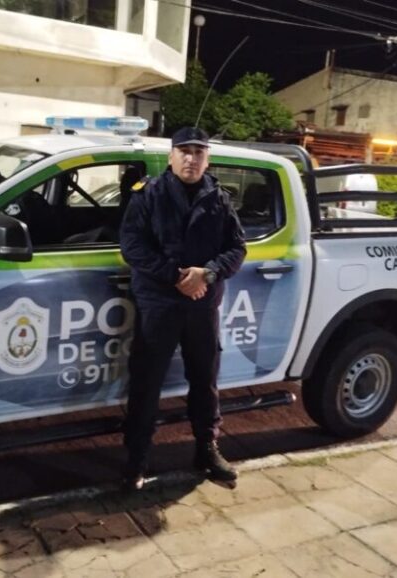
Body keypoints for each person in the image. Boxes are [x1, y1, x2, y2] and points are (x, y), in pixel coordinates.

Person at [119, 126, 247, 490]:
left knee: (205, 380)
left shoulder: (218, 198)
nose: (191, 159)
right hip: (159, 303)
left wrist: (208, 273)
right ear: (171, 156)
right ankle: (136, 459)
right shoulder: (149, 194)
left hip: (202, 303)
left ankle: (207, 449)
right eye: (184, 152)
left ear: (208, 158)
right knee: (147, 382)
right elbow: (132, 246)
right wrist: (176, 276)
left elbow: (237, 248)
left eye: (199, 152)